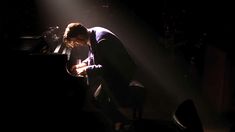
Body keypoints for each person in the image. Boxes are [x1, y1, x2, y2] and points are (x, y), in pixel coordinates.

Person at [62, 22, 137, 130]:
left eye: (75, 41)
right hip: (115, 71)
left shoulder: (101, 40)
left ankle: (125, 123)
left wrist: (86, 70)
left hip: (122, 73)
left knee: (98, 98)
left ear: (80, 36)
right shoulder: (93, 33)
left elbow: (107, 69)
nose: (76, 44)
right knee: (97, 97)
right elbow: (96, 56)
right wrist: (84, 63)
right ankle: (120, 121)